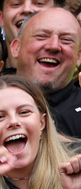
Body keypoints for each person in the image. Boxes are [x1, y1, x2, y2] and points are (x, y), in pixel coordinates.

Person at [9, 8, 81, 139]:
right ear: (16, 48)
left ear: (79, 57)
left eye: (66, 40)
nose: (53, 46)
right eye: (41, 36)